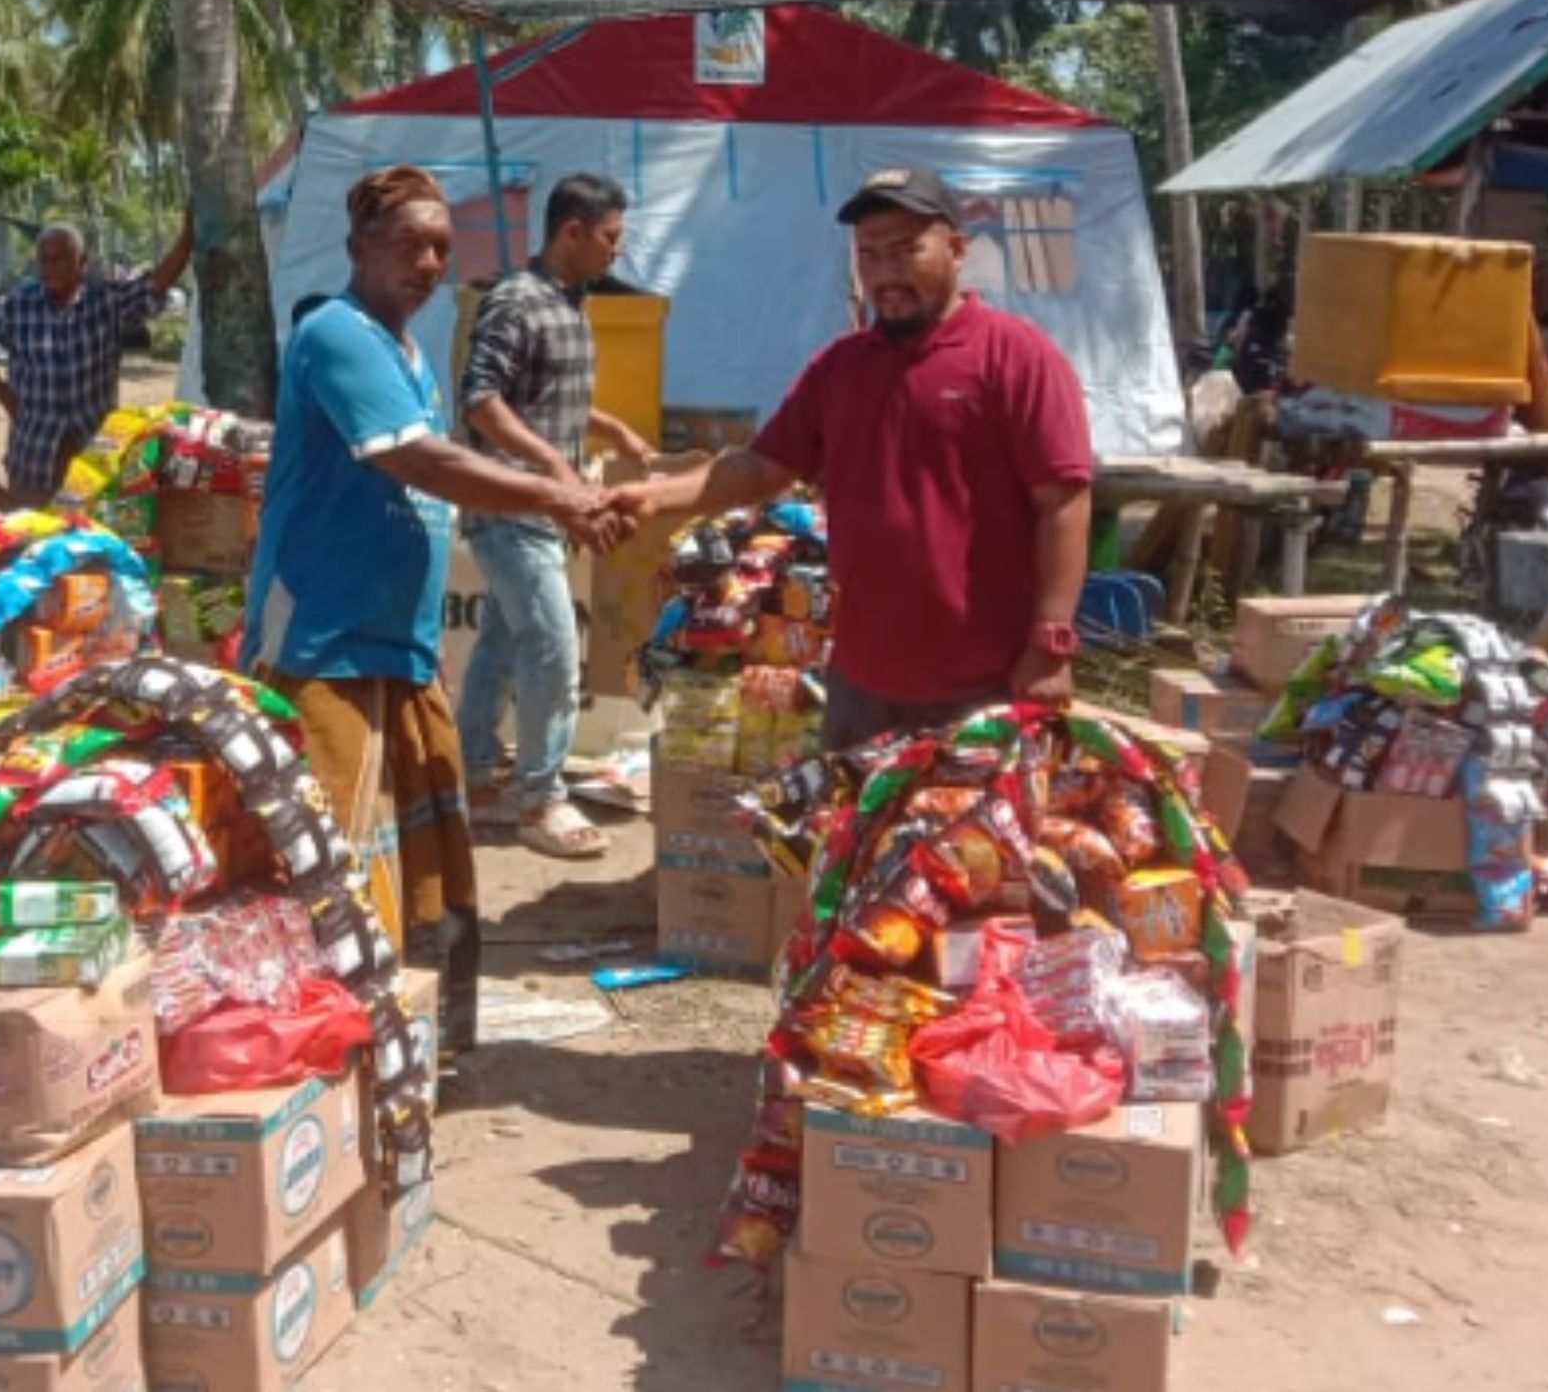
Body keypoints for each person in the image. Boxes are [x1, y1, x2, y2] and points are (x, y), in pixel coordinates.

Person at [243, 165, 630, 1048]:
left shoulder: (413, 355)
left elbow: (442, 469)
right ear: (356, 249)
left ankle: (412, 1040)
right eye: (407, 243)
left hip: (402, 646)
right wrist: (557, 496)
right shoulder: (335, 335)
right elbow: (417, 461)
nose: (426, 262)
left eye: (441, 249)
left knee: (427, 859)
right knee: (323, 864)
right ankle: (325, 1048)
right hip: (322, 647)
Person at [618, 166, 1094, 753]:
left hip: (984, 683)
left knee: (967, 844)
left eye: (904, 251)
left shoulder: (1016, 357)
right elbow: (763, 468)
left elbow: (1065, 502)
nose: (886, 274)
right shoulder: (840, 368)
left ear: (957, 249)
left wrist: (1049, 647)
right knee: (856, 841)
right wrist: (652, 495)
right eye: (869, 256)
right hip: (862, 681)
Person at [454, 173, 654, 861]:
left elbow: (543, 395)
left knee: (506, 643)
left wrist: (612, 433)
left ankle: (474, 776)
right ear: (570, 231)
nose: (615, 253)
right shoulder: (515, 300)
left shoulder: (568, 303)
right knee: (552, 646)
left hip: (537, 502)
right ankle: (540, 799)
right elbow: (481, 400)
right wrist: (556, 471)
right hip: (510, 501)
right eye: (609, 238)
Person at [0, 213, 194, 504]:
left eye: (60, 258)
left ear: (82, 262)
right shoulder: (16, 305)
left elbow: (155, 285)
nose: (50, 268)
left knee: (91, 542)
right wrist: (1, 392)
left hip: (94, 456)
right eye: (44, 260)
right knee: (32, 541)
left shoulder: (106, 303)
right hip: (34, 458)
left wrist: (187, 237)